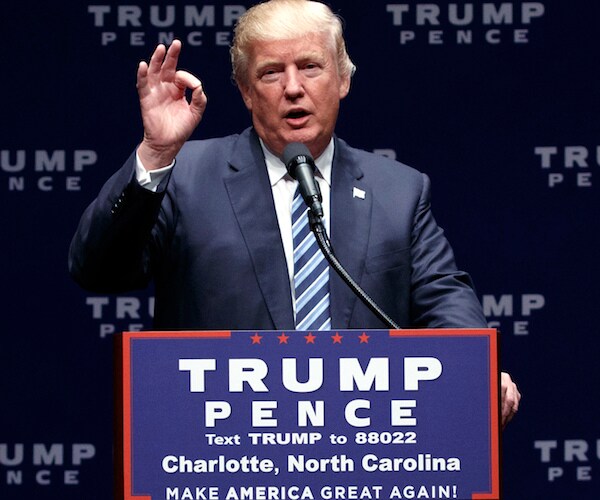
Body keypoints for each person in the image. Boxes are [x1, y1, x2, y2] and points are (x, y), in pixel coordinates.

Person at [69, 0, 520, 427]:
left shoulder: (398, 190)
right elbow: (97, 270)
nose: (292, 87)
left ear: (342, 79)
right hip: (223, 452)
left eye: (309, 66)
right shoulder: (185, 174)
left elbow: (444, 299)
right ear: (246, 92)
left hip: (363, 449)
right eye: (270, 73)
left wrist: (473, 371)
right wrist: (156, 154)